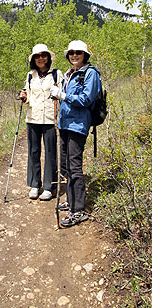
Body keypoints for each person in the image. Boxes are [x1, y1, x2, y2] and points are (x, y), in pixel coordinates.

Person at [50, 40, 101, 227]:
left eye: (78, 52)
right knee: (66, 165)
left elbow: (86, 99)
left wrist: (63, 96)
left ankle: (79, 210)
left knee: (74, 166)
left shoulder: (91, 74)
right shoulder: (71, 74)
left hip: (78, 126)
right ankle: (71, 202)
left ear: (85, 54)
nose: (74, 55)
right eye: (71, 53)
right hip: (65, 124)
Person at [19, 44, 63, 201]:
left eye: (43, 55)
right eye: (37, 56)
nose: (40, 58)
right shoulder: (31, 75)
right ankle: (34, 184)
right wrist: (24, 96)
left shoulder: (57, 74)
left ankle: (49, 186)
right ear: (33, 59)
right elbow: (28, 95)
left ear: (48, 57)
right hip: (33, 118)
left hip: (51, 119)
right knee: (33, 151)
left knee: (51, 152)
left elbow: (62, 95)